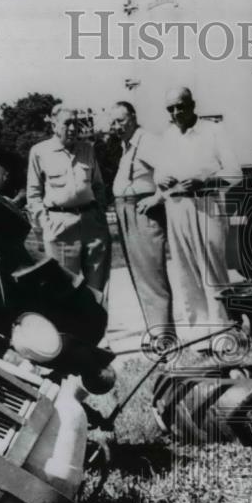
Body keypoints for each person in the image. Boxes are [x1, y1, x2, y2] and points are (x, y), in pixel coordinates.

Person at [153, 87, 242, 331]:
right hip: (177, 206)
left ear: (192, 104)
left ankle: (224, 329)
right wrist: (161, 180)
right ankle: (199, 332)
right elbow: (159, 172)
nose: (176, 112)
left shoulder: (213, 131)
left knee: (212, 269)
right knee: (185, 270)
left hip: (207, 205)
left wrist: (205, 182)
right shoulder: (168, 136)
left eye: (180, 106)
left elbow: (235, 173)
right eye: (170, 108)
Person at [26, 106, 112, 300]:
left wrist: (100, 217)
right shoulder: (40, 152)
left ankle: (96, 330)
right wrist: (44, 227)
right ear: (54, 125)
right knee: (63, 290)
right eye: (67, 123)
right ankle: (70, 331)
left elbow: (98, 186)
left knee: (97, 290)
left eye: (76, 122)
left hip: (92, 225)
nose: (73, 128)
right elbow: (33, 194)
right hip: (60, 227)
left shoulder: (87, 149)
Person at [109, 101, 175, 346]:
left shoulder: (146, 140)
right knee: (140, 276)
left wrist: (157, 198)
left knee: (152, 277)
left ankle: (165, 337)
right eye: (113, 122)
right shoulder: (127, 145)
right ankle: (157, 332)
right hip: (126, 211)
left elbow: (171, 172)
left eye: (121, 120)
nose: (117, 126)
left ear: (134, 117)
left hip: (142, 213)